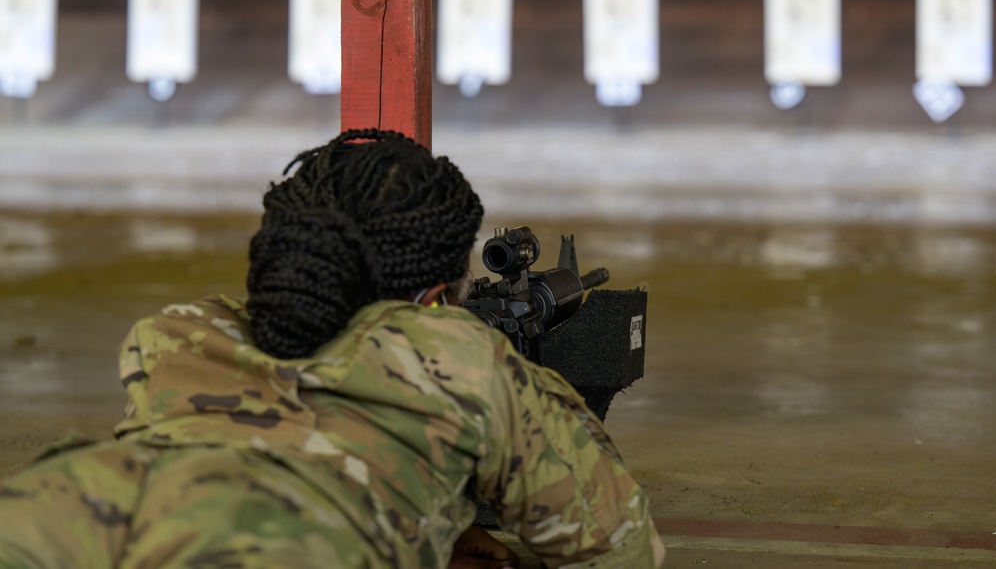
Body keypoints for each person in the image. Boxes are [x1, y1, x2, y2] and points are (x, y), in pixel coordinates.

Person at [0, 129, 665, 568]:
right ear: (437, 300)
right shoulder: (463, 362)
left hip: (52, 520)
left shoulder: (176, 336)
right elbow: (621, 550)